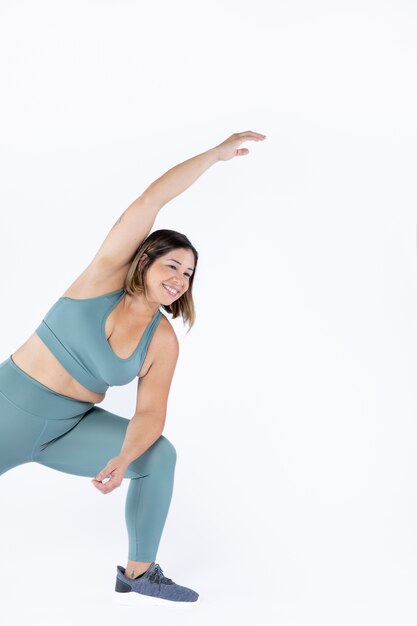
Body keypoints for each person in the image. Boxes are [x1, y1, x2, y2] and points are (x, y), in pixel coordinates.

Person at [0, 130, 266, 606]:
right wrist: (214, 156)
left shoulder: (161, 339)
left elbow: (150, 415)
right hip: (8, 410)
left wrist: (123, 459)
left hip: (68, 430)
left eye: (188, 275)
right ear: (145, 260)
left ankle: (139, 573)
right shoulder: (101, 277)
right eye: (173, 266)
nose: (180, 280)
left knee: (158, 455)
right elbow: (150, 200)